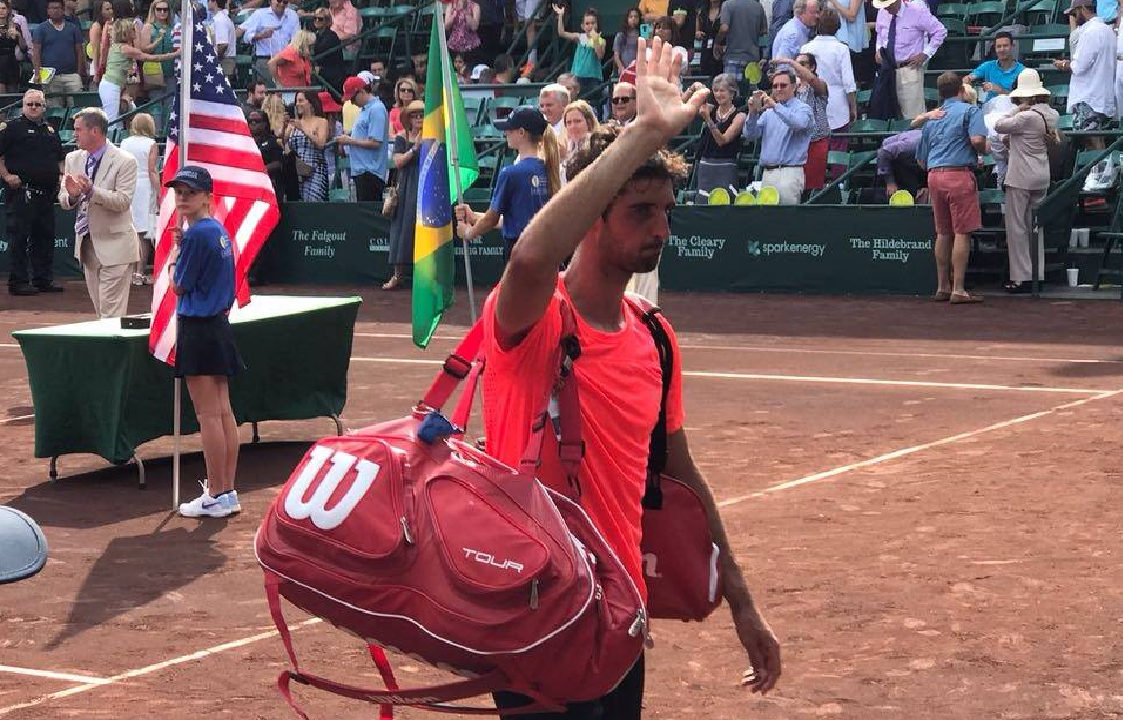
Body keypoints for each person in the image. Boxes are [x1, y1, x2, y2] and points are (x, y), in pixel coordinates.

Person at [480, 38, 780, 718]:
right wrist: (644, 130)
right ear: (591, 220)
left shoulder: (653, 333)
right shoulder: (536, 318)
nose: (661, 229)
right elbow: (529, 258)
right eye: (640, 212)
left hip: (618, 613)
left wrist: (740, 599)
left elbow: (679, 471)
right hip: (532, 612)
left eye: (666, 212)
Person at [167, 166, 244, 521]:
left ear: (207, 196)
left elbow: (179, 285)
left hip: (199, 327)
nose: (182, 197)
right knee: (223, 411)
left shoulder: (199, 234)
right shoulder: (214, 231)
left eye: (190, 192)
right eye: (179, 191)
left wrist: (172, 258)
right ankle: (225, 491)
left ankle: (216, 492)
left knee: (209, 415)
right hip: (216, 326)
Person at [454, 106, 562, 262]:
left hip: (519, 250)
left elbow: (492, 218)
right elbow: (511, 218)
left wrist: (468, 233)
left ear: (521, 132)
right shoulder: (549, 169)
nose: (506, 133)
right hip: (545, 249)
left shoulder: (510, 173)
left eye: (509, 129)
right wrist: (474, 216)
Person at [59, 107, 138, 318]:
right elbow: (64, 199)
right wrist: (74, 196)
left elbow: (123, 201)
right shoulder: (73, 159)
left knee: (110, 315)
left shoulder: (125, 160)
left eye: (78, 129)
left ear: (95, 131)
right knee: (100, 312)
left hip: (116, 245)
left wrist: (92, 191)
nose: (73, 134)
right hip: (87, 246)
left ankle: (112, 351)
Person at [916, 72, 988, 304]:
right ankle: (958, 288)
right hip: (958, 174)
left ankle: (942, 286)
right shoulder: (970, 110)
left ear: (939, 92)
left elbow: (921, 160)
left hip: (935, 175)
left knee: (943, 232)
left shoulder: (933, 117)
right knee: (961, 232)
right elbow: (977, 140)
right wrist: (984, 151)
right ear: (961, 90)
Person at [995, 69, 1058, 294]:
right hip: (1041, 174)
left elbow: (999, 124)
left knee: (1017, 228)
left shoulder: (1025, 116)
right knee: (1035, 226)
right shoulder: (1051, 114)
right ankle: (1037, 274)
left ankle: (1021, 277)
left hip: (1021, 176)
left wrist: (1015, 109)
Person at [1, 90, 66, 296]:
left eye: (38, 104)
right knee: (19, 238)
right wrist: (7, 175)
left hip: (47, 193)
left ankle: (43, 279)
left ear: (44, 106)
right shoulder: (11, 128)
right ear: (23, 105)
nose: (34, 108)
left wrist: (61, 175)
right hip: (22, 192)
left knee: (45, 237)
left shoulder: (50, 130)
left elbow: (60, 157)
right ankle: (18, 281)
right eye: (30, 104)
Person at [742, 68, 813, 204]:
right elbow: (750, 135)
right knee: (767, 221)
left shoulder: (803, 108)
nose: (778, 89)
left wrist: (775, 106)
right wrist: (752, 113)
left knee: (787, 220)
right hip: (767, 174)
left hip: (789, 173)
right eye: (775, 86)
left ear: (794, 87)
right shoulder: (769, 112)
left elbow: (797, 124)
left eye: (783, 85)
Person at [1054, 0, 1115, 149]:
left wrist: (1063, 64)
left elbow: (1079, 66)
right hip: (1101, 94)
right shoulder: (1107, 30)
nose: (1074, 17)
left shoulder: (1090, 32)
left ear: (1082, 9)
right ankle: (1099, 171)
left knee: (1091, 140)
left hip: (1089, 98)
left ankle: (1101, 171)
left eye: (1074, 13)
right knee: (1094, 140)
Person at [873, 0, 946, 119]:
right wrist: (878, 50)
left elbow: (940, 31)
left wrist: (925, 54)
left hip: (909, 69)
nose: (886, 8)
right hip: (887, 69)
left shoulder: (917, 11)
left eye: (888, 5)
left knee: (913, 115)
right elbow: (880, 34)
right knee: (887, 113)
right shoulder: (882, 12)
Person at [99, 19, 177, 122]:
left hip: (114, 85)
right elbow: (151, 58)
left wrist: (158, 41)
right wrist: (175, 54)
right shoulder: (126, 49)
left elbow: (142, 52)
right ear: (126, 32)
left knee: (128, 112)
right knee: (112, 120)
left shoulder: (117, 46)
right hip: (112, 85)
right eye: (133, 29)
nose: (136, 31)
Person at [801, 9, 857, 151]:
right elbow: (849, 83)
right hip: (838, 105)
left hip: (813, 103)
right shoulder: (841, 49)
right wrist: (853, 108)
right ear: (837, 26)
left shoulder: (806, 48)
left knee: (815, 148)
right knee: (839, 151)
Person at [385, 100, 423, 290]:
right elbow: (398, 162)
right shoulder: (402, 137)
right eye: (414, 115)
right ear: (408, 118)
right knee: (401, 228)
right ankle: (397, 275)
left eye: (421, 115)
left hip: (425, 184)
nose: (418, 119)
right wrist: (415, 148)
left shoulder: (434, 137)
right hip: (406, 185)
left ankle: (424, 277)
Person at [778, 52, 828, 190]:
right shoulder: (792, 89)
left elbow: (811, 80)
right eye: (796, 64)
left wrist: (791, 63)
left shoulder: (819, 85)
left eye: (802, 64)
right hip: (795, 142)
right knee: (794, 184)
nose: (798, 67)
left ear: (812, 67)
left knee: (812, 185)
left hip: (815, 141)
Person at [337, 75, 389, 202]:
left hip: (370, 172)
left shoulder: (376, 109)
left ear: (361, 91)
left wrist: (349, 141)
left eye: (353, 98)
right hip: (363, 172)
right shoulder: (366, 110)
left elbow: (375, 142)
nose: (352, 102)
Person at [121, 112, 158, 285]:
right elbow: (152, 171)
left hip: (128, 185)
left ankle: (130, 273)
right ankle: (138, 273)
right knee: (142, 232)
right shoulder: (151, 143)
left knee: (131, 230)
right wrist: (160, 192)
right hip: (144, 187)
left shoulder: (125, 142)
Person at [697, 72, 745, 194]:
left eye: (722, 91)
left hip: (726, 166)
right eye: (716, 90)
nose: (718, 94)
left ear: (732, 93)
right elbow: (685, 104)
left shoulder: (739, 116)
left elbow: (722, 140)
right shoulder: (711, 109)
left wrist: (708, 120)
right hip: (706, 166)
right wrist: (694, 88)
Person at [32, 0, 85, 109]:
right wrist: (37, 73)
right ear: (48, 11)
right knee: (54, 110)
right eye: (52, 8)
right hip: (51, 77)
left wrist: (79, 73)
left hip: (72, 76)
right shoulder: (41, 29)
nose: (55, 11)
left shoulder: (73, 28)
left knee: (77, 109)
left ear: (63, 10)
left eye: (58, 8)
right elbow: (36, 51)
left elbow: (79, 51)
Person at [283, 90, 330, 202]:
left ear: (311, 103)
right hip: (297, 171)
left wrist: (303, 129)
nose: (297, 104)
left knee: (313, 202)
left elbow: (321, 144)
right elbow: (284, 143)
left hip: (315, 169)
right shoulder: (293, 123)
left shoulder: (321, 122)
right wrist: (284, 127)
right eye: (296, 101)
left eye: (301, 101)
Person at [239, 0, 299, 86]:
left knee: (286, 94)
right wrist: (261, 35)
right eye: (279, 1)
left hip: (286, 60)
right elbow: (246, 37)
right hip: (265, 60)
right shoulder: (260, 14)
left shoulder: (293, 15)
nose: (282, 4)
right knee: (266, 94)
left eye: (285, 2)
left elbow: (296, 39)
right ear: (270, 1)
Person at [554, 5, 606, 90]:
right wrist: (560, 15)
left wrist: (596, 40)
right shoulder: (579, 37)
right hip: (577, 76)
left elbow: (600, 56)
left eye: (593, 23)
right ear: (583, 26)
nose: (590, 26)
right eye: (587, 23)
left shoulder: (601, 40)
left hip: (593, 78)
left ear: (597, 25)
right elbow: (561, 33)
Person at [963, 31, 1023, 103]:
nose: (1002, 49)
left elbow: (1022, 100)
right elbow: (970, 77)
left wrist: (1000, 91)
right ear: (995, 48)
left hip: (1012, 108)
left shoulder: (1022, 71)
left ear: (1012, 46)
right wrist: (968, 78)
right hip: (989, 108)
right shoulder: (987, 65)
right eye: (999, 46)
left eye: (1005, 46)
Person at [714, 0, 767, 78]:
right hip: (753, 59)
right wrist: (764, 56)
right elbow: (764, 32)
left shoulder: (728, 5)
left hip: (733, 58)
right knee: (751, 89)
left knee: (731, 88)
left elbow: (724, 28)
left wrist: (717, 43)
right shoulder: (758, 6)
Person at [249, 108, 285, 200]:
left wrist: (261, 170)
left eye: (257, 121)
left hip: (269, 183)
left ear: (264, 124)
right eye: (250, 121)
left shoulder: (272, 141)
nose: (253, 123)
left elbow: (278, 163)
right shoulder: (244, 141)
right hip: (249, 184)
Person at [876, 128, 924, 197]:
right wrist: (890, 182)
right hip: (888, 158)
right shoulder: (912, 145)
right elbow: (883, 153)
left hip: (908, 158)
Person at [771, 0, 819, 68]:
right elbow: (782, 66)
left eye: (817, 12)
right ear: (801, 13)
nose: (817, 16)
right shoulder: (793, 34)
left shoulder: (799, 29)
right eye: (813, 13)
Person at [312, 8, 346, 92]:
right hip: (322, 69)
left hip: (333, 72)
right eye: (315, 18)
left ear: (326, 21)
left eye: (320, 19)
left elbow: (320, 51)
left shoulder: (332, 36)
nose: (317, 21)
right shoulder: (316, 35)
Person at [562, 98, 598, 163]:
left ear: (589, 123)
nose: (573, 126)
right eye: (569, 122)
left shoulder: (597, 147)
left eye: (577, 121)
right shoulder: (564, 152)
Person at [695, 0, 724, 78]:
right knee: (705, 71)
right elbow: (697, 30)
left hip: (720, 45)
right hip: (706, 46)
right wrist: (697, 33)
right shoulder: (702, 11)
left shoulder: (725, 9)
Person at [89, 0, 114, 86]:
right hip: (100, 67)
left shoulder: (111, 24)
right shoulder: (96, 26)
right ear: (100, 11)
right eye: (107, 9)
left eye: (111, 8)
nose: (111, 11)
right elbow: (95, 51)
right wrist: (97, 72)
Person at [208, 0, 236, 77]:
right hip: (225, 60)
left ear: (215, 2)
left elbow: (223, 45)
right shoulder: (222, 18)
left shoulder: (220, 20)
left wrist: (213, 57)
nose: (208, 3)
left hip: (224, 62)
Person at [614, 6, 640, 77]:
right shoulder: (620, 35)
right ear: (627, 19)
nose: (633, 19)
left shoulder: (641, 36)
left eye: (636, 17)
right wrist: (621, 68)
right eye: (631, 17)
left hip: (638, 70)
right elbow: (616, 55)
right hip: (623, 70)